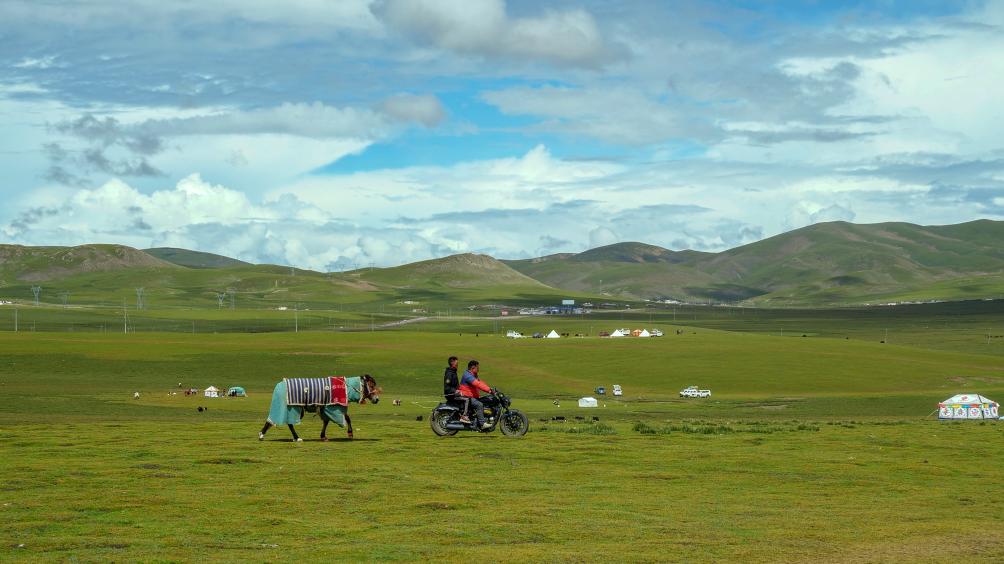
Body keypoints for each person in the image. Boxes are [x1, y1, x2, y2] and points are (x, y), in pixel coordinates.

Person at [458, 360, 493, 430]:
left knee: (485, 400)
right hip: (467, 396)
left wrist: (490, 389)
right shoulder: (467, 375)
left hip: (472, 396)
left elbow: (481, 383)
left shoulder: (473, 375)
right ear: (473, 368)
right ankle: (482, 424)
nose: (478, 369)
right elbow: (477, 384)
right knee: (479, 404)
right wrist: (489, 390)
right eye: (477, 367)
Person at [443, 356, 470, 424]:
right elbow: (447, 388)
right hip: (451, 394)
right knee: (466, 399)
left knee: (468, 395)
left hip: (454, 393)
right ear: (452, 363)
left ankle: (462, 413)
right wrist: (455, 391)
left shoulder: (453, 371)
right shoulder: (449, 373)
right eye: (456, 362)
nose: (458, 364)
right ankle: (464, 416)